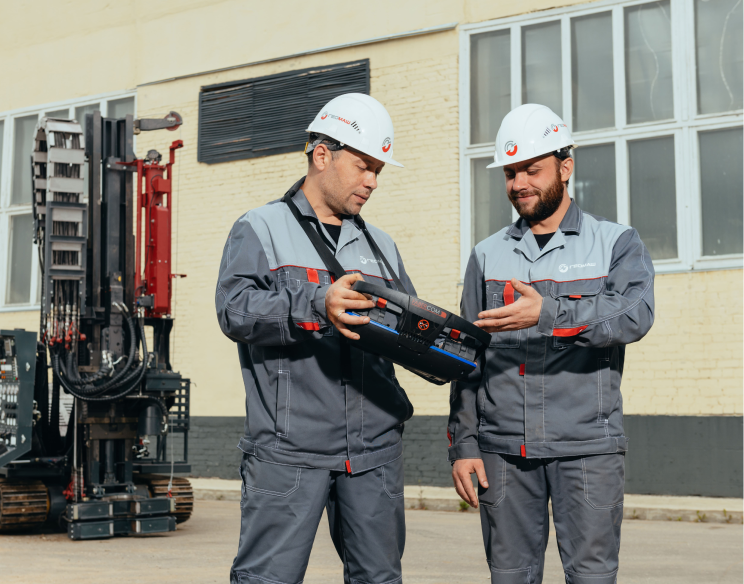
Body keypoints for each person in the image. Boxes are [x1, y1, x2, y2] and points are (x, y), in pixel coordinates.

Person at [449, 104, 655, 584]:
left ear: (566, 167)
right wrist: (464, 443)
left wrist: (549, 313)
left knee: (591, 576)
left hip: (587, 450)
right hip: (503, 452)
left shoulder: (616, 243)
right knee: (510, 576)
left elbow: (633, 315)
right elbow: (466, 357)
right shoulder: (487, 255)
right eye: (510, 172)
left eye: (532, 169)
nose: (519, 182)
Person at [216, 93, 416, 584]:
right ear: (322, 154)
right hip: (290, 451)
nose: (372, 181)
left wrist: (447, 342)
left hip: (373, 452)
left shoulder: (380, 245)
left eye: (379, 171)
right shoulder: (260, 228)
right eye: (363, 166)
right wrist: (314, 304)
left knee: (379, 578)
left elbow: (406, 328)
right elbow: (235, 311)